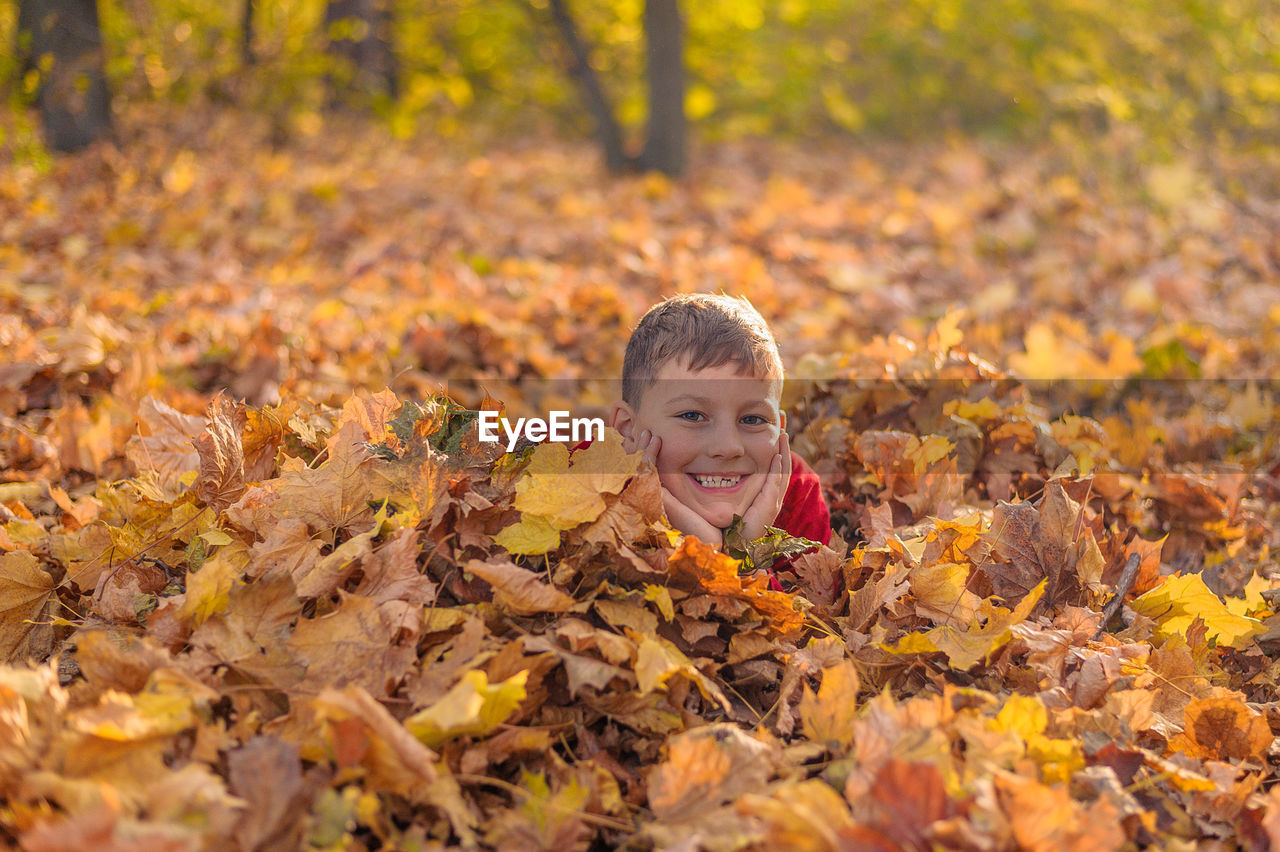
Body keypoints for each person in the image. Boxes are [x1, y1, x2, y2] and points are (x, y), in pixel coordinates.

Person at [608, 293, 832, 568]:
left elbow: (810, 608)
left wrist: (741, 556)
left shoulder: (797, 492)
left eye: (752, 420)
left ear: (779, 428)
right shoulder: (586, 488)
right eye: (692, 416)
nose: (728, 447)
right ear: (627, 430)